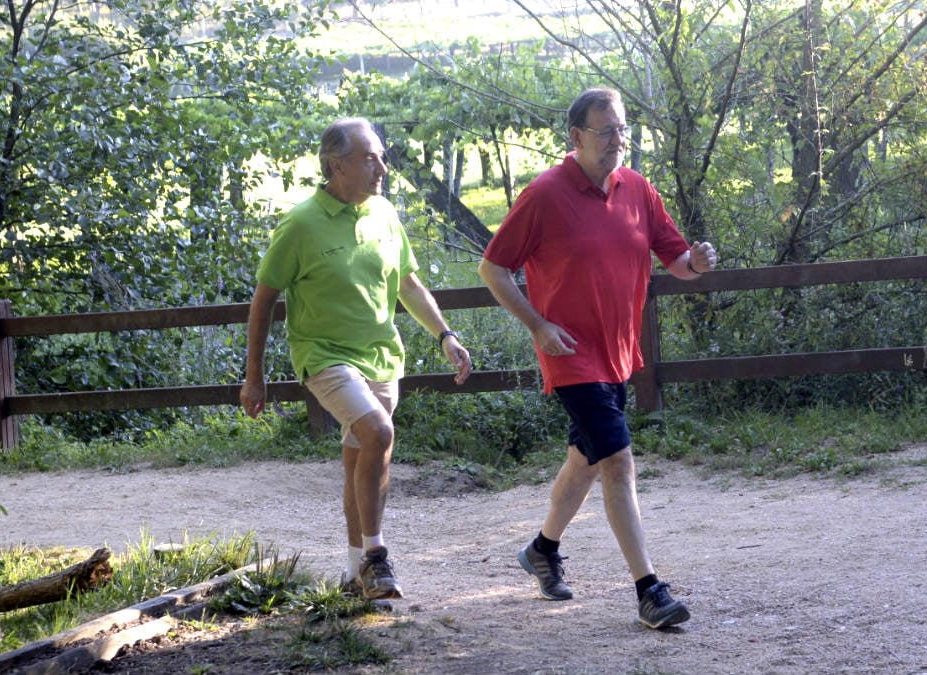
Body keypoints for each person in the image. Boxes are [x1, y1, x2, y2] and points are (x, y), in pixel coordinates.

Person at [478, 87, 718, 629]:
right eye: (607, 131)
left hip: (618, 354)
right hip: (569, 354)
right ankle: (648, 590)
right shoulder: (543, 195)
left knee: (584, 461)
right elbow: (493, 269)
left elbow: (675, 260)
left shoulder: (637, 189)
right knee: (617, 459)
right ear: (576, 137)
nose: (618, 140)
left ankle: (542, 550)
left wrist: (696, 262)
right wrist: (537, 325)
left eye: (623, 129)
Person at [240, 117, 472, 600]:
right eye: (370, 158)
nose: (382, 167)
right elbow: (263, 300)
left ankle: (353, 576)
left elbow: (408, 283)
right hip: (324, 357)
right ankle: (377, 557)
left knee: (361, 461)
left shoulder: (384, 213)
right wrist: (254, 377)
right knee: (379, 432)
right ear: (336, 164)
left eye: (381, 157)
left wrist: (444, 335)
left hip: (382, 357)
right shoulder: (300, 224)